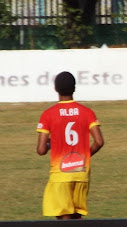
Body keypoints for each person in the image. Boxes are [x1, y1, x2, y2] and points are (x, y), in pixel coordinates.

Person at [36, 71, 104, 219]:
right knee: (75, 215)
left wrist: (49, 144)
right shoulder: (87, 112)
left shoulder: (48, 114)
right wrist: (83, 156)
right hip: (81, 173)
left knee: (64, 220)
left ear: (55, 89)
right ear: (74, 88)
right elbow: (99, 142)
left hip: (61, 175)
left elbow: (41, 150)